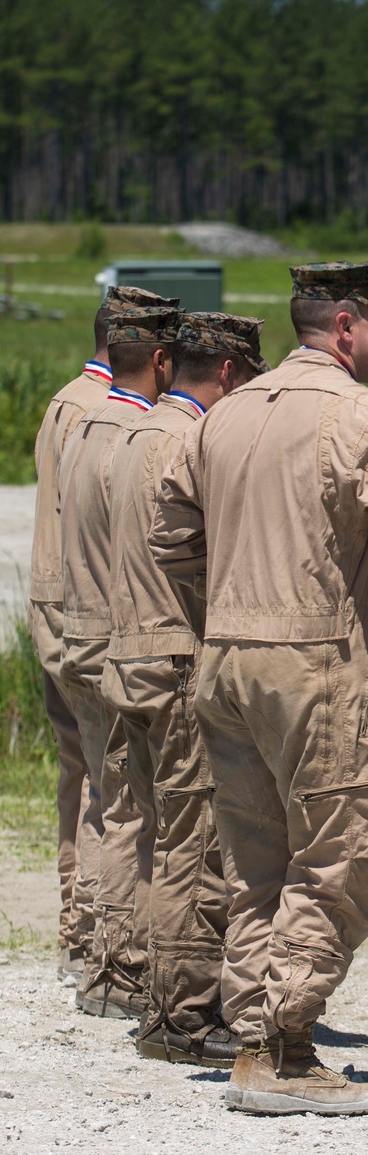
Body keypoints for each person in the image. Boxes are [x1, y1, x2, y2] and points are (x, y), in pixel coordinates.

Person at [149, 258, 368, 1118]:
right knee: (351, 844)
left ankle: (254, 1044)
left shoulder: (224, 417)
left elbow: (167, 531)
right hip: (308, 661)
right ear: (345, 325)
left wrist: (229, 591)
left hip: (224, 661)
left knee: (259, 862)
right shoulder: (362, 417)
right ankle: (289, 1045)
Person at [102, 312, 268, 1065]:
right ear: (231, 373)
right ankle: (185, 1016)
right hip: (174, 655)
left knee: (156, 835)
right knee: (193, 845)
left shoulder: (131, 431)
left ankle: (158, 998)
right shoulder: (190, 439)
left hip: (128, 650)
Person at [60, 290, 178, 1020]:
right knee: (135, 810)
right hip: (122, 641)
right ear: (161, 359)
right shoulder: (134, 431)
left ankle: (103, 957)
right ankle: (124, 966)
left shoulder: (84, 419)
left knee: (111, 804)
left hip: (84, 632)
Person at [29, 306, 118, 984]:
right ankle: (93, 933)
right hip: (86, 610)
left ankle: (74, 921)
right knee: (105, 774)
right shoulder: (100, 409)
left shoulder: (66, 399)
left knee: (77, 771)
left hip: (52, 605)